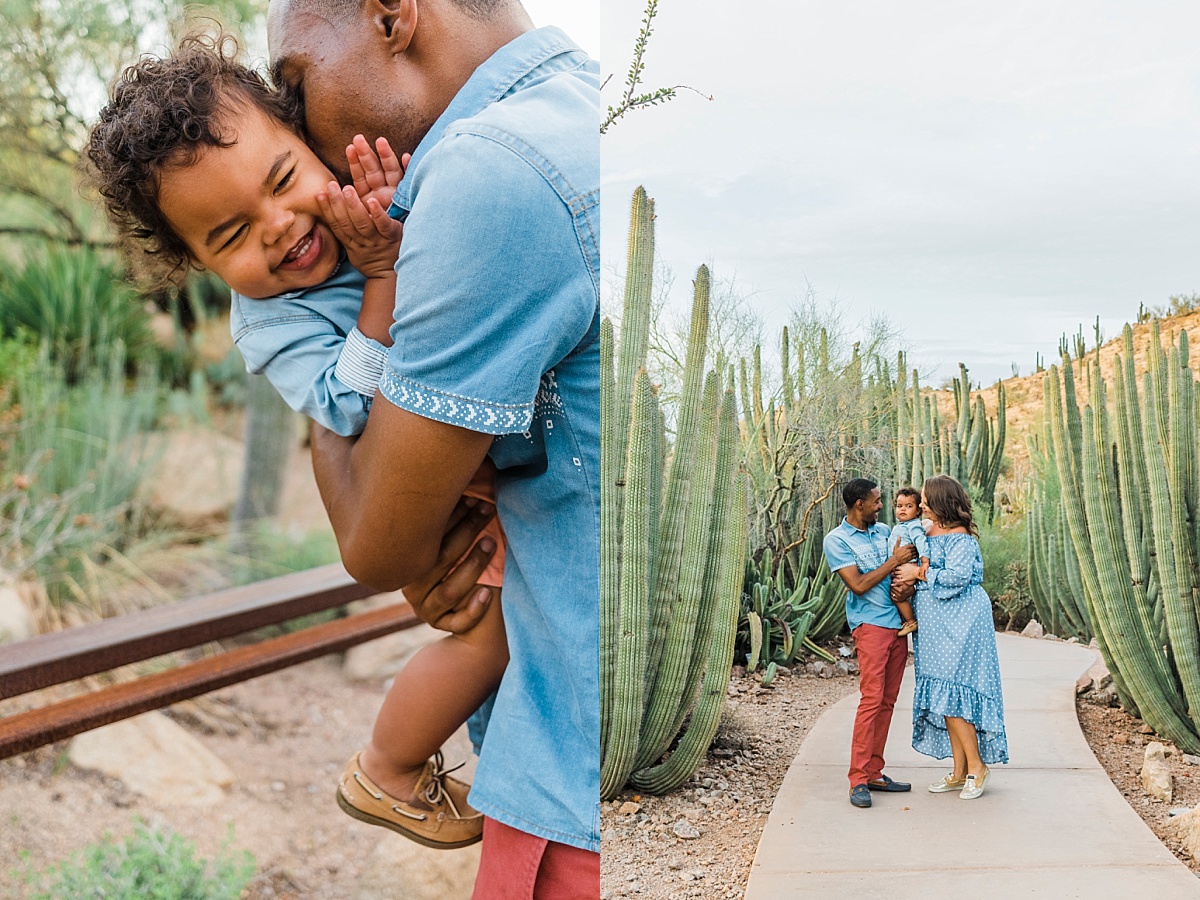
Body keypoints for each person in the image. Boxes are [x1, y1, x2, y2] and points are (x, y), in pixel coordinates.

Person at [83, 34, 510, 849]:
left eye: (282, 180)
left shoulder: (368, 185)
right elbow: (344, 407)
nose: (278, 226)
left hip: (485, 459)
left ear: (306, 143)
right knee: (493, 637)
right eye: (231, 235)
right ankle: (388, 766)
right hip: (444, 492)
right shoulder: (273, 325)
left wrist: (402, 213)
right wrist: (383, 276)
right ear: (198, 263)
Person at [266, 1, 600, 894]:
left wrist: (316, 348)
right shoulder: (586, 113)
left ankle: (387, 762)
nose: (297, 129)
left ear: (389, 13)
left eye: (296, 83)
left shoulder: (488, 174)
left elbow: (377, 542)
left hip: (569, 800)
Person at [892, 475, 1008, 800]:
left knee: (954, 691)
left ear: (940, 500)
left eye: (927, 498)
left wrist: (919, 573)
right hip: (933, 623)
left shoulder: (961, 538)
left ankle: (977, 767)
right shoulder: (924, 531)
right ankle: (959, 772)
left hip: (963, 620)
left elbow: (957, 578)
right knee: (942, 692)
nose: (922, 502)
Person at [822, 478, 917, 809]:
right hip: (871, 626)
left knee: (888, 701)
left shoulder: (884, 530)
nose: (881, 505)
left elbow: (903, 570)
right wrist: (893, 562)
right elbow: (859, 584)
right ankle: (858, 779)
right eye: (876, 501)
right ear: (858, 504)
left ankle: (875, 772)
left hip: (899, 627)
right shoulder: (836, 541)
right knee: (871, 700)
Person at [889, 486, 929, 637]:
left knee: (897, 595)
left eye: (909, 506)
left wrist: (925, 562)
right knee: (896, 593)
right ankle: (907, 619)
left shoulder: (914, 526)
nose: (903, 509)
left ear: (918, 511)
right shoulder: (901, 526)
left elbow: (921, 543)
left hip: (907, 567)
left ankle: (911, 621)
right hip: (899, 566)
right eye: (899, 506)